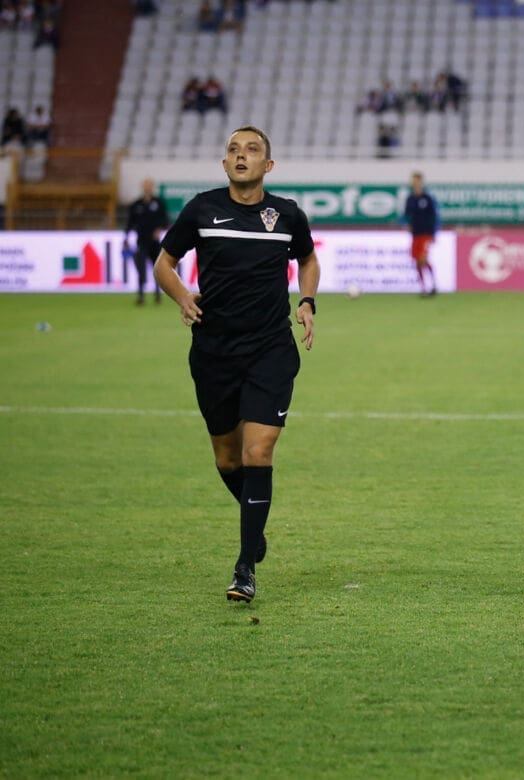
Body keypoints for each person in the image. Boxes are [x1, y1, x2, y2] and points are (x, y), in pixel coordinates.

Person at [153, 126, 321, 603]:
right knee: (227, 459)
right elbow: (164, 262)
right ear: (224, 163)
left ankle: (245, 564)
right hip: (214, 351)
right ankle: (256, 527)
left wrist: (307, 302)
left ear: (268, 165)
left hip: (270, 349)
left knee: (258, 452)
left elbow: (308, 260)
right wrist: (183, 296)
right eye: (233, 150)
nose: (241, 155)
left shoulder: (287, 215)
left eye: (252, 150)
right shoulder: (202, 210)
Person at [125, 177, 170, 305]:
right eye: (145, 185)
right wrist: (126, 238)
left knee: (157, 270)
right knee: (141, 269)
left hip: (154, 243)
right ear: (143, 187)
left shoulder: (159, 203)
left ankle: (157, 295)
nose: (147, 188)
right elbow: (130, 223)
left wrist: (159, 229)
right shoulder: (136, 205)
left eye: (149, 185)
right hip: (141, 242)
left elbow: (165, 220)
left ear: (152, 187)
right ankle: (141, 296)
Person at [402, 172, 439, 296]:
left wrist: (433, 233)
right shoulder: (410, 199)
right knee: (417, 261)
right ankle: (423, 288)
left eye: (416, 181)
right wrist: (406, 225)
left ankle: (433, 285)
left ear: (421, 182)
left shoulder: (427, 198)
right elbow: (406, 215)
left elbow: (434, 216)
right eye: (413, 181)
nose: (415, 183)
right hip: (415, 234)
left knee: (423, 259)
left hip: (426, 234)